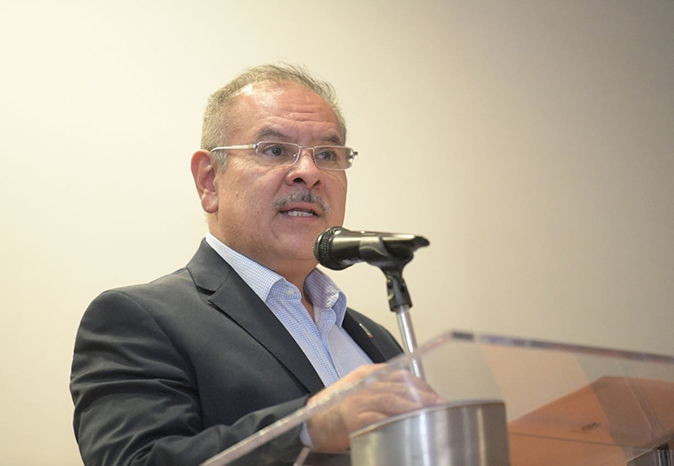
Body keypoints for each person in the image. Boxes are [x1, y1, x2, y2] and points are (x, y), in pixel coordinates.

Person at [70, 64, 439, 466]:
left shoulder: (375, 337)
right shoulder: (137, 320)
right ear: (209, 180)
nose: (309, 173)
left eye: (327, 155)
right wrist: (307, 428)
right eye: (275, 150)